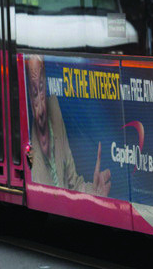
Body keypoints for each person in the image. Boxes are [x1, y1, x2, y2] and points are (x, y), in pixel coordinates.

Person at [25, 55, 111, 196]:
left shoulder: (54, 112)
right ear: (28, 94)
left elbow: (73, 184)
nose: (40, 109)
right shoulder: (26, 136)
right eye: (35, 94)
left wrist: (93, 191)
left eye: (41, 89)